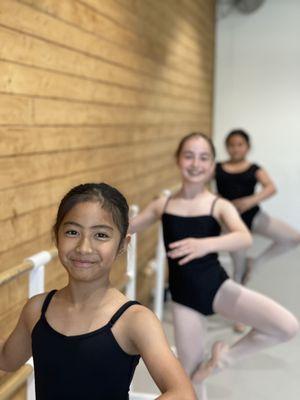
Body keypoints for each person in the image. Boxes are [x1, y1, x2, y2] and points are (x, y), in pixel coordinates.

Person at [129, 133, 299, 398]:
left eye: (203, 157)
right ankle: (204, 373)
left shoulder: (218, 205)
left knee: (286, 326)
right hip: (185, 299)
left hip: (217, 287)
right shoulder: (163, 204)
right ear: (177, 160)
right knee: (189, 378)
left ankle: (222, 361)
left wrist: (205, 245)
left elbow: (243, 237)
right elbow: (128, 228)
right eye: (189, 156)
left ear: (211, 166)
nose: (195, 163)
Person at [0, 183, 196, 400]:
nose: (84, 248)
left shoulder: (135, 320)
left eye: (101, 235)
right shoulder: (37, 309)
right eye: (72, 232)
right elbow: (7, 359)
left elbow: (183, 394)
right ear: (57, 236)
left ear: (123, 244)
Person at [215, 129, 300, 285]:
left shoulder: (254, 168)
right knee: (239, 274)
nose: (236, 148)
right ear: (226, 147)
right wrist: (217, 200)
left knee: (294, 238)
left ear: (247, 147)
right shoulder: (218, 168)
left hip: (254, 216)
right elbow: (202, 187)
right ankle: (237, 301)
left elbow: (271, 188)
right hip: (231, 222)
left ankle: (255, 263)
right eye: (231, 145)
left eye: (240, 144)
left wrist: (250, 201)